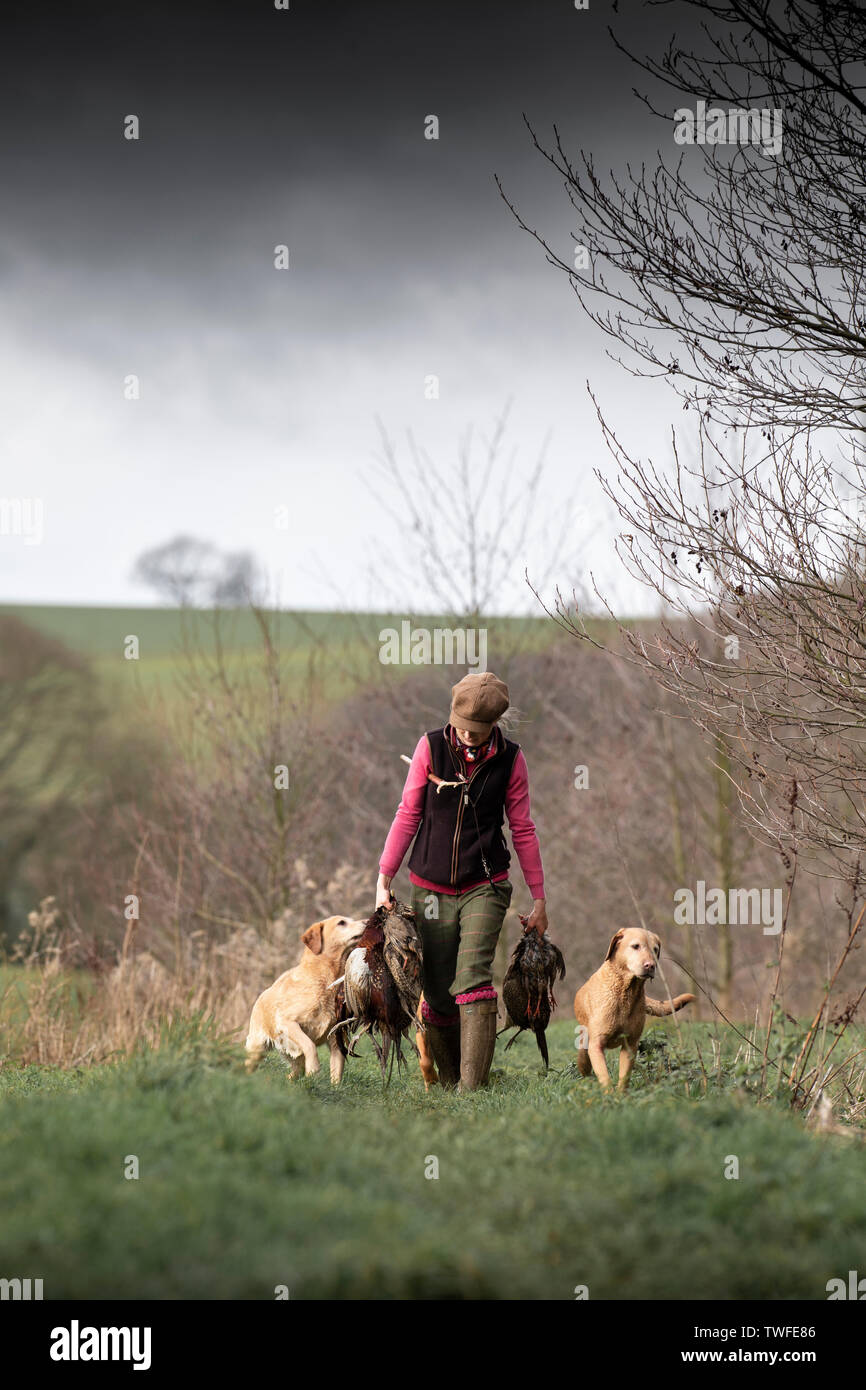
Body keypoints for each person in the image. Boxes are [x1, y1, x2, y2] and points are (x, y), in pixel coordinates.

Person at [376, 671, 547, 1091]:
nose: (468, 737)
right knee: (435, 990)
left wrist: (539, 898)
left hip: (485, 885)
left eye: (478, 731)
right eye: (462, 728)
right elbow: (408, 813)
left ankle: (473, 1091)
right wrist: (384, 877)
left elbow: (522, 828)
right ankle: (451, 1085)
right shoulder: (430, 747)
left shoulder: (511, 760)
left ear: (494, 727)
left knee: (471, 976)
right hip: (429, 887)